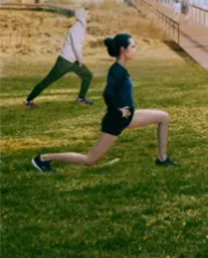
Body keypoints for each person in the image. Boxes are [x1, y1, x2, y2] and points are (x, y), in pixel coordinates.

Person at [31, 33, 177, 172]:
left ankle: (162, 159)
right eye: (133, 47)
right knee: (89, 160)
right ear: (123, 50)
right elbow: (108, 93)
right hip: (115, 120)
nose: (135, 50)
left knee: (163, 117)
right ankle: (43, 158)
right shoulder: (117, 70)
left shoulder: (121, 69)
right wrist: (118, 111)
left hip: (128, 117)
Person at [24, 8, 95, 108]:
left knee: (87, 75)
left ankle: (81, 98)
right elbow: (76, 46)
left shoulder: (81, 27)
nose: (90, 15)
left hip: (73, 61)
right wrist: (80, 60)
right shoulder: (77, 28)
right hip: (65, 61)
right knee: (48, 81)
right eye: (88, 14)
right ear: (82, 15)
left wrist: (78, 60)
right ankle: (28, 100)